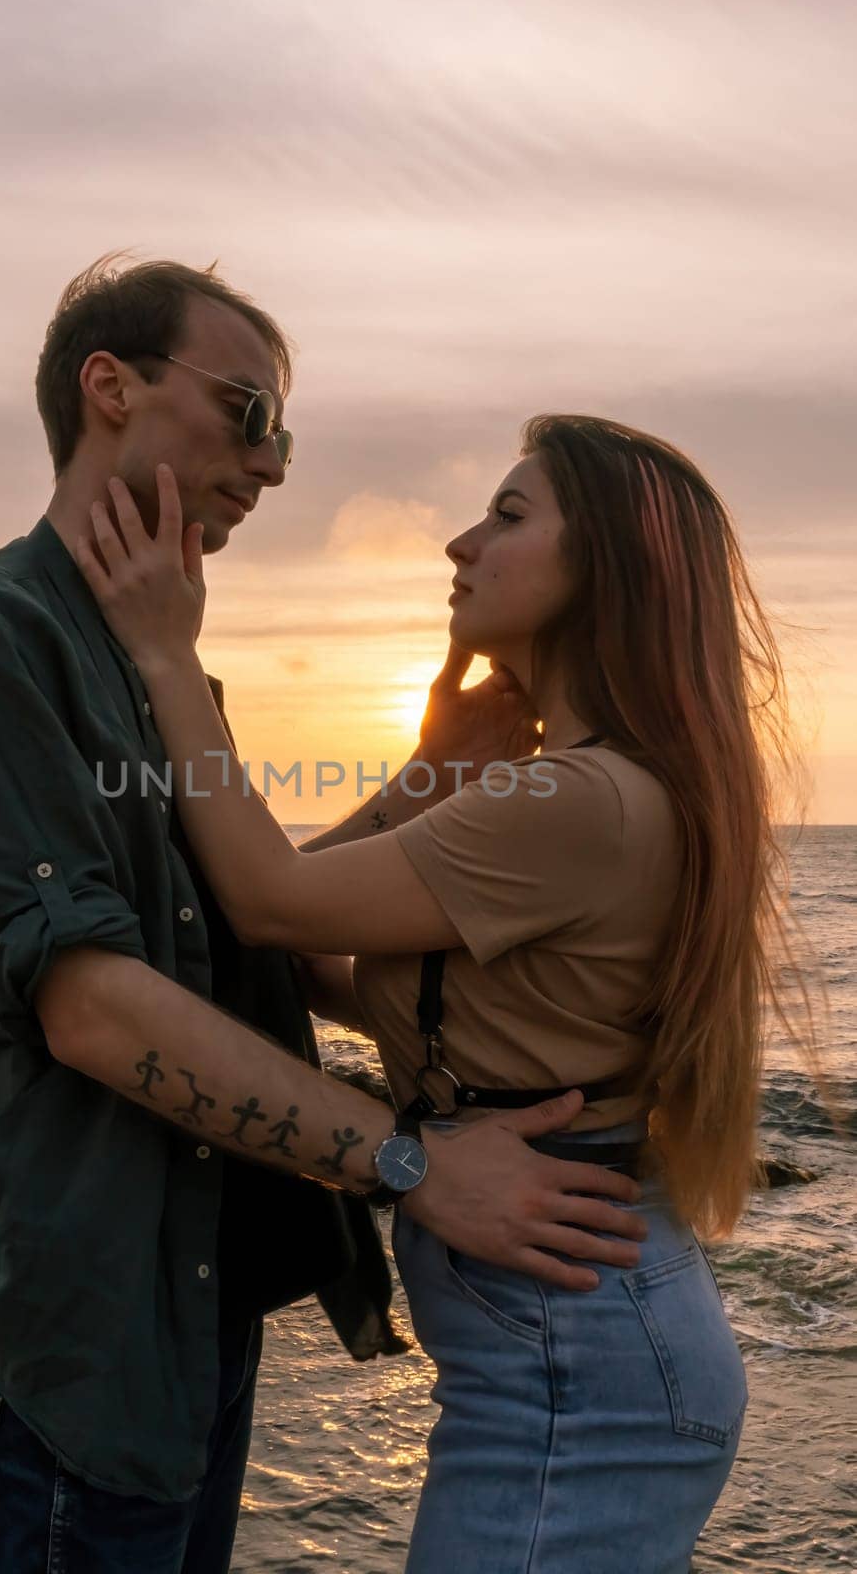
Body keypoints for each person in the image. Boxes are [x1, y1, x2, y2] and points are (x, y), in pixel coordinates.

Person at [0, 256, 646, 1574]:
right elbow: (97, 1007)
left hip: (195, 1315)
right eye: (249, 414)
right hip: (87, 1344)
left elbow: (229, 925)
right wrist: (417, 1164)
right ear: (111, 388)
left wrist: (416, 786)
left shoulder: (152, 647)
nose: (273, 466)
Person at [73, 415, 826, 1573]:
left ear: (605, 570)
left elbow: (270, 900)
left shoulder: (582, 801)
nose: (460, 544)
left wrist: (169, 658)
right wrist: (431, 776)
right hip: (574, 1360)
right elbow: (319, 957)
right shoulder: (587, 790)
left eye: (511, 516)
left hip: (579, 1384)